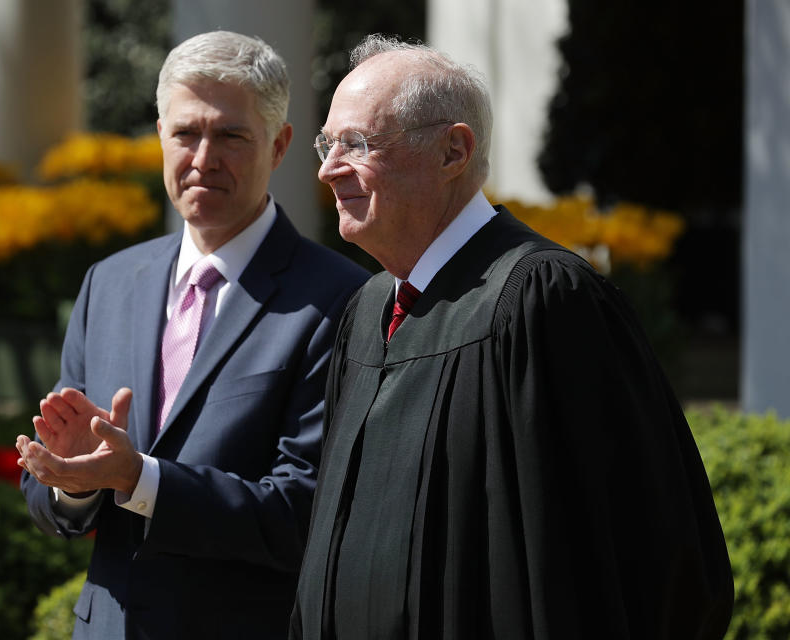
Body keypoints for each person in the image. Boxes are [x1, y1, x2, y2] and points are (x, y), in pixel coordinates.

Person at [290, 35, 733, 639]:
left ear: (453, 150)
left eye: (357, 144)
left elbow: (651, 554)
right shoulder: (368, 312)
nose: (327, 168)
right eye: (327, 143)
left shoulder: (543, 301)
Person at [16, 30, 369, 639]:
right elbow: (54, 496)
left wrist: (137, 478)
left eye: (231, 135)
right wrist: (71, 482)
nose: (204, 158)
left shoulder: (340, 299)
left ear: (280, 146)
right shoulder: (110, 282)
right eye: (185, 133)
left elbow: (307, 510)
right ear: (159, 136)